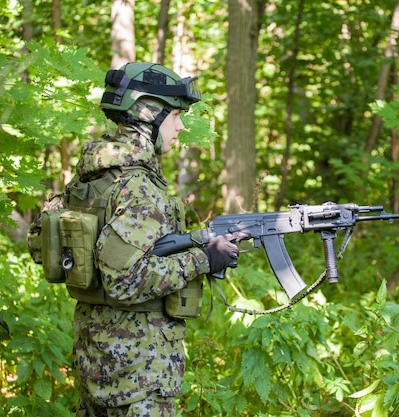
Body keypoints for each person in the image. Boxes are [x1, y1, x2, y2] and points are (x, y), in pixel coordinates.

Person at [70, 62, 239, 417]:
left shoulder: (93, 178)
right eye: (176, 115)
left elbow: (44, 244)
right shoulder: (139, 188)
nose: (180, 126)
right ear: (148, 112)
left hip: (97, 359)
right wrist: (204, 260)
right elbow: (124, 280)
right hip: (138, 374)